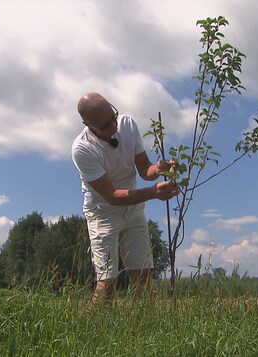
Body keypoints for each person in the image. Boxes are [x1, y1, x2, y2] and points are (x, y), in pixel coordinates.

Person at [71, 92, 179, 305]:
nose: (113, 127)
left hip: (134, 210)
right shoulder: (82, 149)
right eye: (105, 126)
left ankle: (146, 332)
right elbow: (112, 196)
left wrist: (158, 168)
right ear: (87, 124)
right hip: (103, 215)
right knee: (107, 283)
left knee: (143, 280)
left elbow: (144, 169)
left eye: (113, 117)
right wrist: (153, 193)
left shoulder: (127, 125)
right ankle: (91, 333)